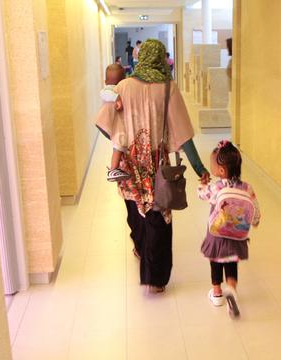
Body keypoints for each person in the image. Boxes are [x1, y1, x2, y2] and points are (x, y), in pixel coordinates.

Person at [96, 39, 210, 293]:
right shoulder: (169, 88)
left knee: (135, 213)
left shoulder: (123, 87)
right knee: (158, 218)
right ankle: (156, 280)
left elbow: (104, 125)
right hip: (158, 168)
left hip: (129, 166)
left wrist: (123, 141)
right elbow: (183, 135)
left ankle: (139, 246)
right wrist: (199, 168)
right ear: (160, 58)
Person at [198, 140, 261, 316]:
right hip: (237, 234)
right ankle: (231, 289)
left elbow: (202, 194)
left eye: (213, 165)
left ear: (221, 171)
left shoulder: (217, 187)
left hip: (217, 234)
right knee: (231, 262)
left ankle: (217, 293)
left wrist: (202, 185)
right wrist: (254, 222)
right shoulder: (247, 187)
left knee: (216, 261)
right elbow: (255, 208)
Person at [98, 64, 130, 182]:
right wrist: (117, 98)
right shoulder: (110, 91)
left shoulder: (114, 89)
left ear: (105, 81)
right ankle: (113, 169)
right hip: (111, 124)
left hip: (112, 124)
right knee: (118, 145)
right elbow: (105, 94)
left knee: (119, 145)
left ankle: (116, 168)